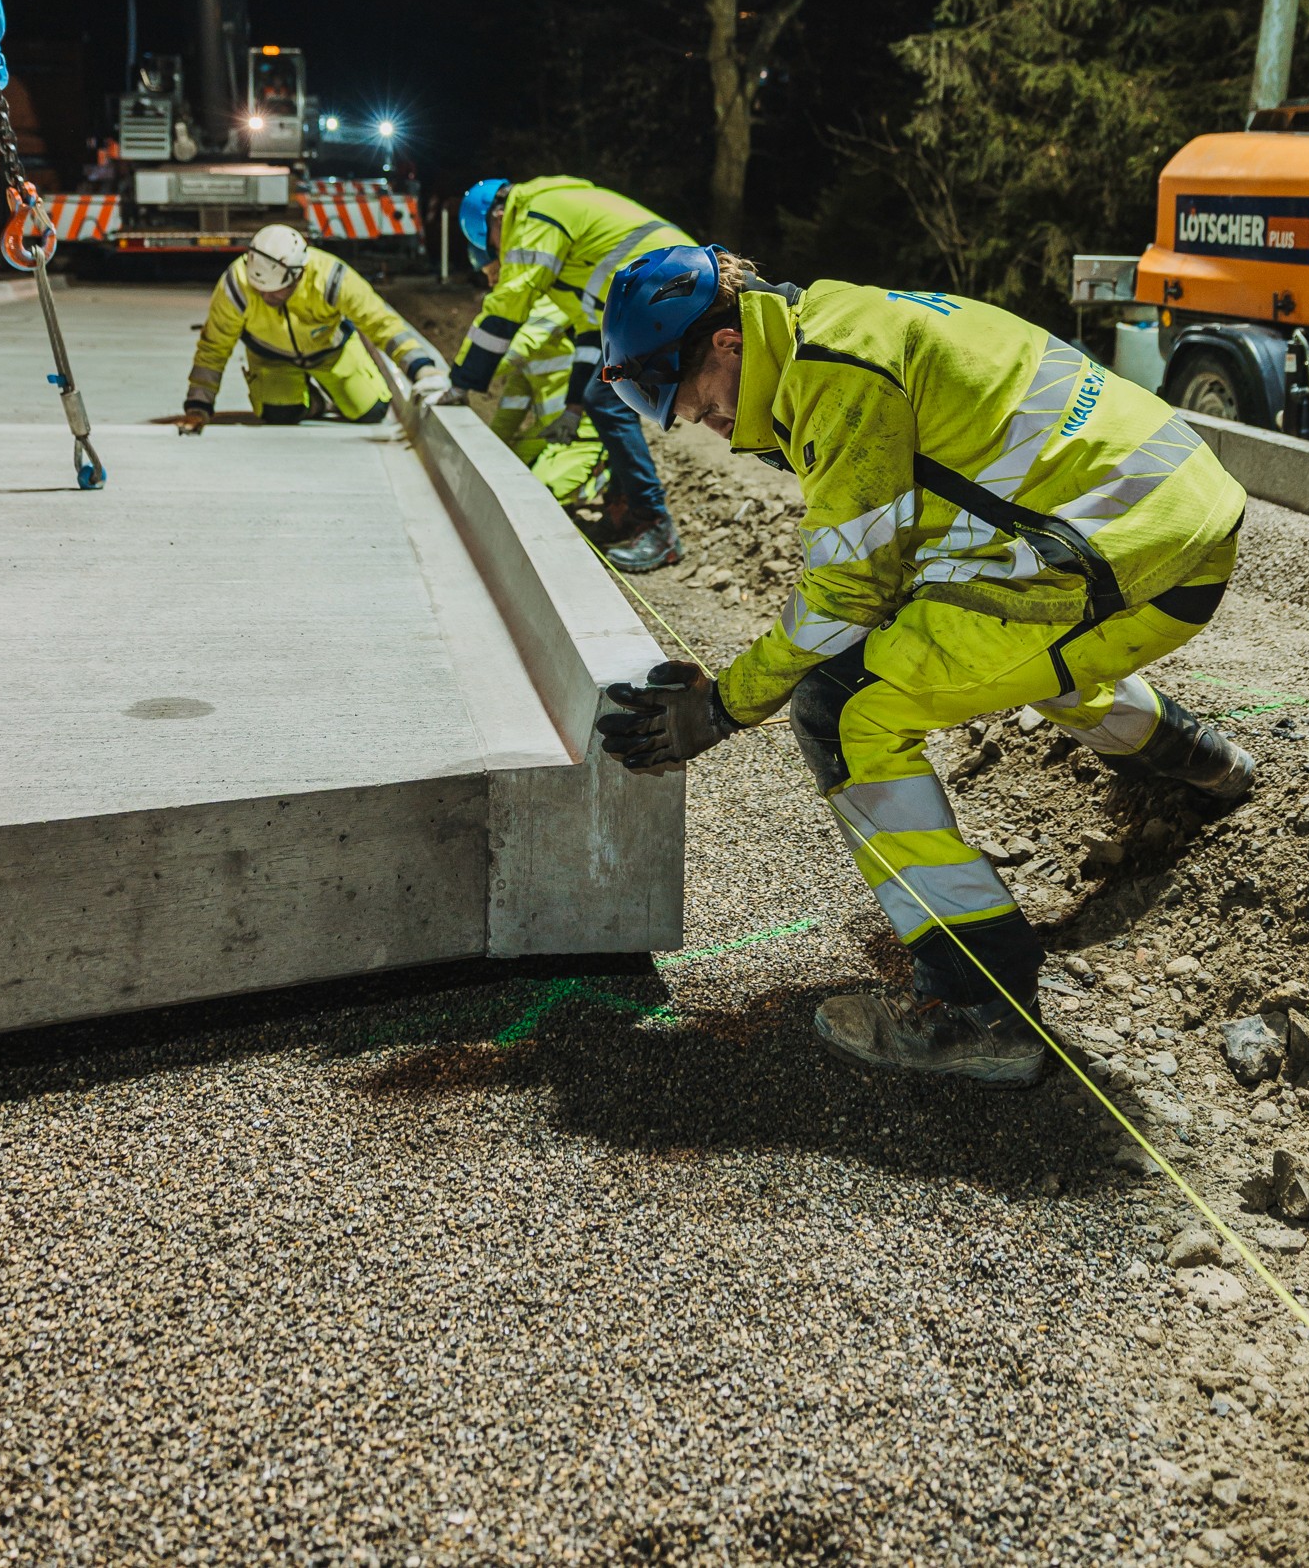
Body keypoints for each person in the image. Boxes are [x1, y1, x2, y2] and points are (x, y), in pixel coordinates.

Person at [596, 248, 1251, 1087]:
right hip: (1171, 528)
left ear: (726, 344)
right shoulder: (839, 317)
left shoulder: (832, 377)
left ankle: (979, 1011)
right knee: (953, 636)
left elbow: (843, 595)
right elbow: (902, 553)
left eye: (677, 395)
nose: (684, 419)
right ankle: (1195, 759)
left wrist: (723, 705)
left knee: (845, 707)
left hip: (1121, 559)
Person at [442, 175, 692, 571]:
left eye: (491, 244)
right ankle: (625, 509)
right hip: (667, 285)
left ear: (496, 219)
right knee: (604, 398)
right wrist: (575, 403)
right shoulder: (558, 225)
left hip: (669, 288)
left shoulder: (534, 216)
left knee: (609, 402)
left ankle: (655, 526)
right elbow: (591, 332)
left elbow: (509, 302)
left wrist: (462, 382)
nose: (497, 254)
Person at [179, 223, 446, 431]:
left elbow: (379, 322)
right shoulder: (237, 286)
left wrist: (421, 367)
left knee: (372, 411)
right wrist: (199, 405)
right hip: (272, 358)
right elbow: (214, 346)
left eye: (275, 292)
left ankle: (331, 391)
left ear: (299, 274)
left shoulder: (331, 278)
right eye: (260, 291)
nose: (266, 298)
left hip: (331, 353)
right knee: (280, 415)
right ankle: (314, 403)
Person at [489, 295, 610, 512]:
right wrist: (484, 451)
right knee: (506, 474)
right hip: (553, 432)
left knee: (541, 494)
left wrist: (465, 377)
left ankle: (604, 482)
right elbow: (509, 413)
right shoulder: (527, 363)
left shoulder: (545, 307)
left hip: (584, 435)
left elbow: (516, 349)